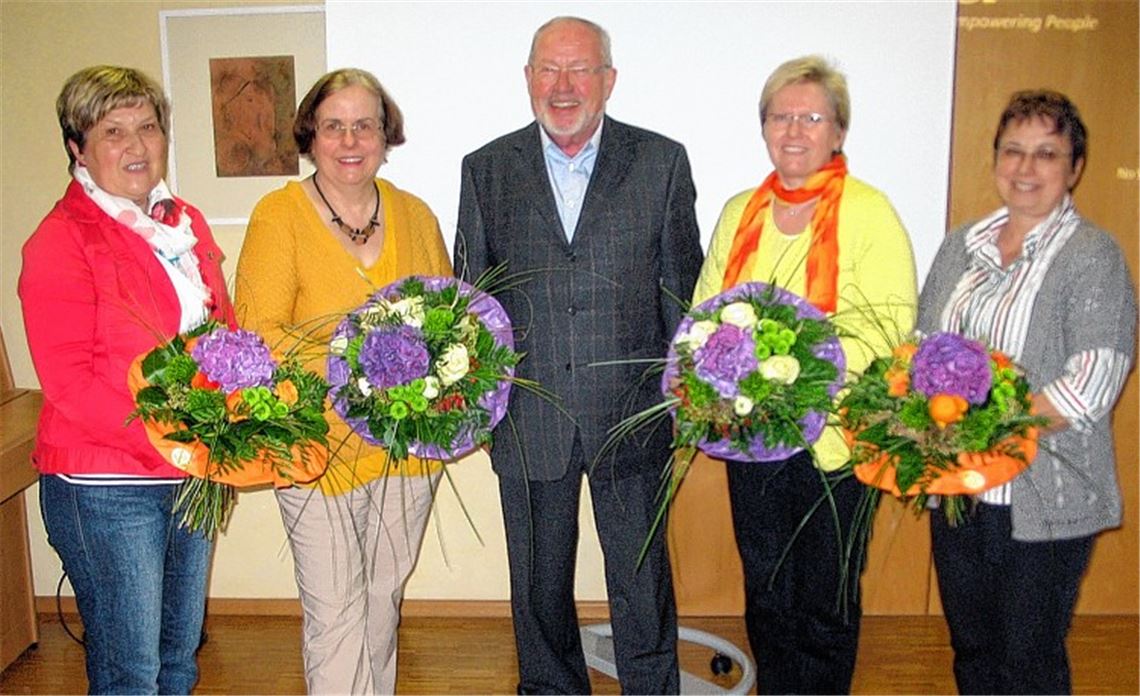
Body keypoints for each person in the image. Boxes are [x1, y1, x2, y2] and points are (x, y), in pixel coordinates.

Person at [453, 16, 703, 695]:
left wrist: (688, 399)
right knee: (538, 592)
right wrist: (476, 406)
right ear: (528, 78)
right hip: (528, 418)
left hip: (633, 418)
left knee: (642, 587)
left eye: (580, 70)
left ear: (608, 80)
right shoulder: (486, 169)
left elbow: (681, 291)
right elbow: (472, 299)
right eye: (549, 69)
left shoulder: (661, 162)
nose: (563, 86)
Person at [692, 55, 918, 694]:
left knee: (825, 601)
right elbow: (706, 313)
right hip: (753, 436)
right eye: (780, 116)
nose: (794, 131)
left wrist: (799, 384)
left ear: (839, 131)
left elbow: (890, 323)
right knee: (766, 592)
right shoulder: (739, 211)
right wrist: (728, 381)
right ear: (763, 126)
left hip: (837, 441)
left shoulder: (870, 212)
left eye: (812, 118)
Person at [18, 65, 237, 694]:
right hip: (107, 486)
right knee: (130, 674)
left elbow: (224, 336)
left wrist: (238, 418)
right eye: (113, 131)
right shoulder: (61, 240)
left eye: (147, 127)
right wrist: (176, 441)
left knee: (178, 660)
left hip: (188, 472)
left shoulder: (183, 223)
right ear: (77, 148)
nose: (137, 145)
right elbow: (71, 386)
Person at [234, 68, 451, 694]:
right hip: (315, 448)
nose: (350, 141)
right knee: (335, 611)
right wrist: (361, 358)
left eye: (365, 126)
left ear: (385, 135)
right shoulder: (279, 215)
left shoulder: (415, 215)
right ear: (310, 134)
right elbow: (258, 332)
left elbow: (446, 322)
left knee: (382, 599)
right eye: (334, 126)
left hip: (406, 451)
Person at [917, 90, 1136, 695]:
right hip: (959, 489)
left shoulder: (1093, 256)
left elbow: (1091, 382)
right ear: (995, 160)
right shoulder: (962, 245)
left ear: (1075, 168)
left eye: (1046, 153)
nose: (1025, 168)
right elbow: (922, 347)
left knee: (1028, 659)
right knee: (973, 650)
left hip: (1042, 496)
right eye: (1013, 151)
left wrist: (985, 429)